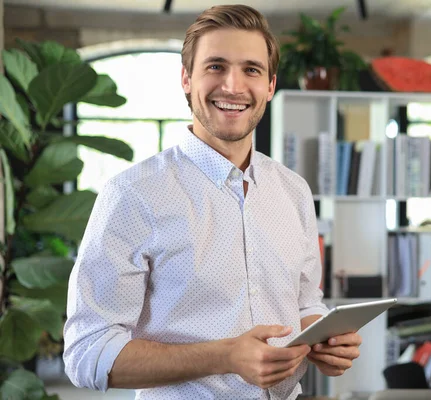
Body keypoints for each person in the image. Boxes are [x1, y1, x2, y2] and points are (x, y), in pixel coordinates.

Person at [63, 4, 362, 399]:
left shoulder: (293, 191)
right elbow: (88, 353)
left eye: (251, 70)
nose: (233, 87)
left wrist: (326, 338)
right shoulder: (132, 195)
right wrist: (225, 356)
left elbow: (306, 301)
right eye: (216, 66)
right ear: (187, 79)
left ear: (270, 86)